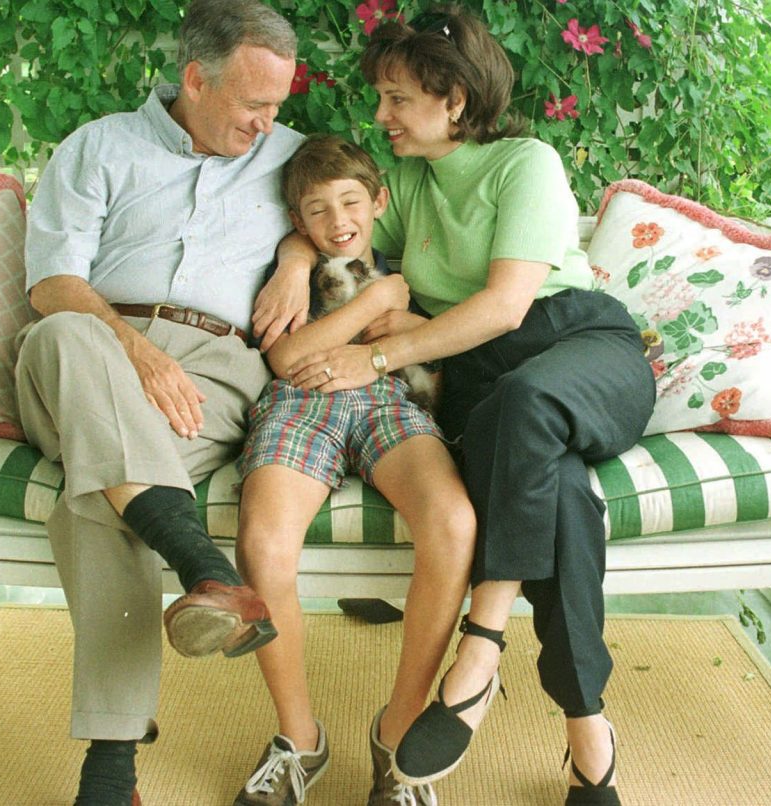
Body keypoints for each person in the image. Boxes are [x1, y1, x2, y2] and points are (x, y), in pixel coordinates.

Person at [282, 8, 656, 805]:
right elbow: (335, 223)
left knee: (526, 402)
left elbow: (506, 306)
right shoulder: (407, 179)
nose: (381, 116)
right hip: (485, 384)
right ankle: (589, 729)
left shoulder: (527, 162)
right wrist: (292, 258)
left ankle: (481, 647)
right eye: (381, 98)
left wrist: (379, 354)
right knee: (554, 490)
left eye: (397, 98)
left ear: (454, 99)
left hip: (580, 347)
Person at [14, 2, 310, 803]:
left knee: (104, 494)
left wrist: (299, 255)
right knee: (64, 336)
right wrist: (132, 349)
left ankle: (110, 773)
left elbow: (353, 213)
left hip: (213, 373)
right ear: (194, 78)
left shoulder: (290, 157)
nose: (267, 123)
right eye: (253, 105)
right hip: (89, 357)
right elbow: (52, 284)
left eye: (277, 105)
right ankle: (204, 568)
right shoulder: (100, 148)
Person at [233, 134, 476, 806]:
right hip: (301, 402)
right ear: (297, 223)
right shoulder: (293, 277)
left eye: (350, 202)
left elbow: (431, 345)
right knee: (262, 543)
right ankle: (299, 741)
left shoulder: (414, 268)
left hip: (388, 402)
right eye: (317, 210)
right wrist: (374, 303)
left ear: (378, 200)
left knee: (453, 522)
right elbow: (286, 360)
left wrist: (403, 306)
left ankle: (397, 739)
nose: (338, 220)